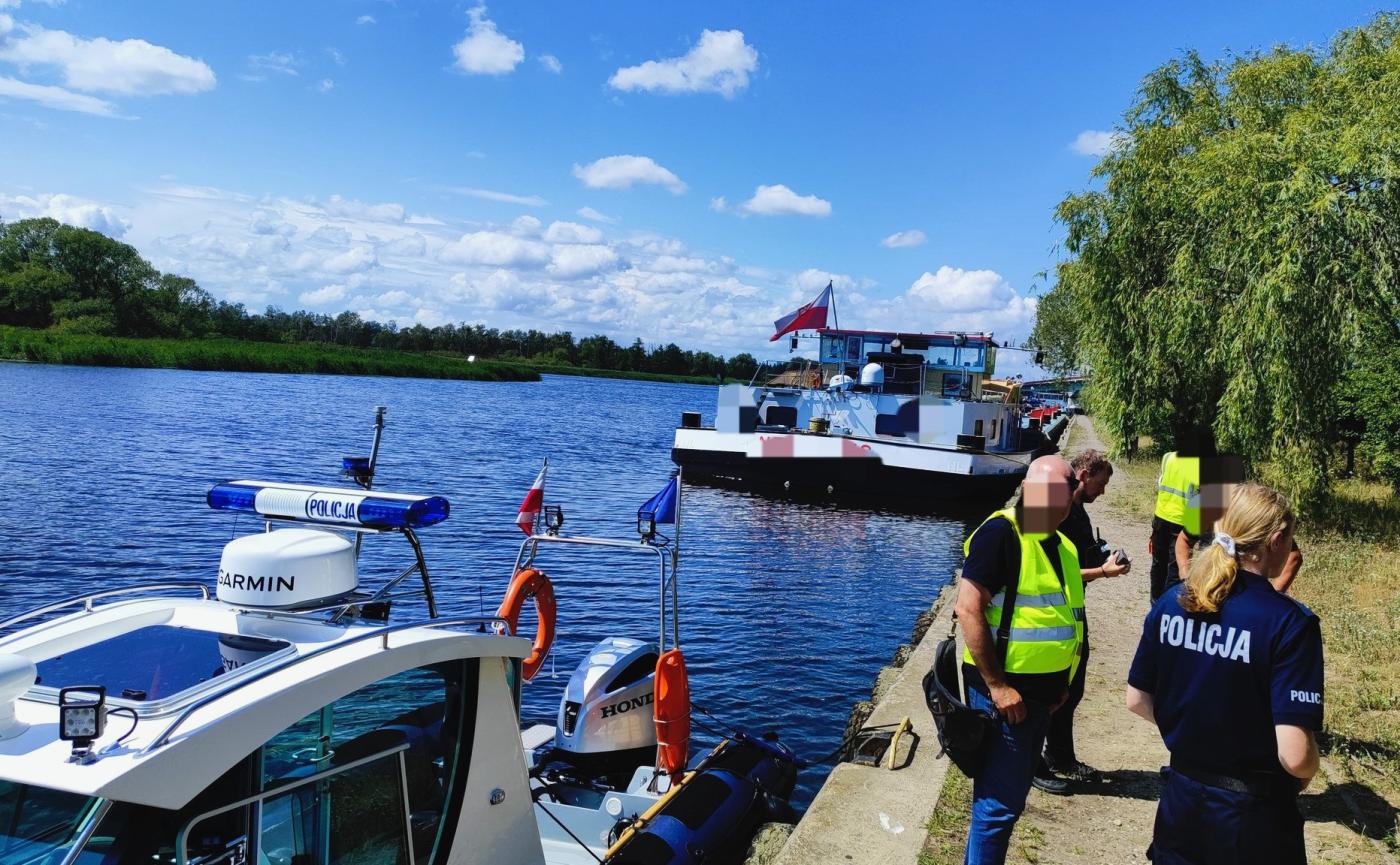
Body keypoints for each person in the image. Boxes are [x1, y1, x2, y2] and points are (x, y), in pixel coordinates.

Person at [1126, 483, 1323, 865]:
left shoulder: (1174, 601)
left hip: (1180, 802)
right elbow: (1296, 756)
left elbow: (1136, 699)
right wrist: (1308, 767)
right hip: (1251, 818)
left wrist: (1195, 734)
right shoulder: (1289, 623)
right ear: (1277, 540)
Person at [956, 455, 1086, 865]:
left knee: (1003, 804)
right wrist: (997, 686)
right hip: (1006, 697)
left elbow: (1064, 619)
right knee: (997, 808)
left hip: (1043, 697)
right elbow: (968, 608)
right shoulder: (1001, 534)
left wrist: (1062, 684)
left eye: (1065, 493)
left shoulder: (1062, 544)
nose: (1059, 502)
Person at [1032, 449, 1130, 795]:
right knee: (1047, 690)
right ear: (1084, 474)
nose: (1102, 491)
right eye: (1100, 484)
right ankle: (1035, 763)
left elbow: (1078, 556)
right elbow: (1056, 571)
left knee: (1070, 690)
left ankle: (1060, 755)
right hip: (1048, 616)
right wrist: (1103, 572)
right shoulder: (1056, 515)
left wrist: (1104, 555)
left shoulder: (1079, 514)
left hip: (1072, 614)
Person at [1149, 450, 1199, 600]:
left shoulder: (1168, 457)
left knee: (1158, 565)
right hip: (1181, 521)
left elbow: (1160, 484)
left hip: (1160, 518)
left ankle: (1155, 604)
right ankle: (1169, 605)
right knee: (1175, 567)